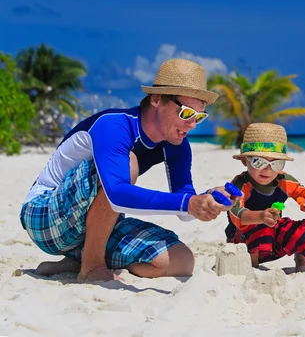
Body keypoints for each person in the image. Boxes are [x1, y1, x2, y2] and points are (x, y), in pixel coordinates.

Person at [19, 58, 240, 283]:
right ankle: (91, 267)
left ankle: (78, 260)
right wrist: (188, 203)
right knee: (128, 163)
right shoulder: (114, 126)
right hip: (42, 216)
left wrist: (205, 200)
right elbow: (117, 194)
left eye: (199, 116)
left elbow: (184, 211)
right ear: (156, 99)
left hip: (90, 224)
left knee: (181, 261)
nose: (192, 124)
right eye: (186, 113)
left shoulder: (178, 145)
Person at [224, 123, 305, 273]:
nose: (267, 169)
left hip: (273, 243)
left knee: (301, 229)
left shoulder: (284, 181)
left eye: (275, 163)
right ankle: (253, 267)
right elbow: (236, 214)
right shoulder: (240, 185)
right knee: (260, 226)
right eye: (259, 162)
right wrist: (261, 216)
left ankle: (302, 264)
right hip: (242, 243)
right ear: (245, 161)